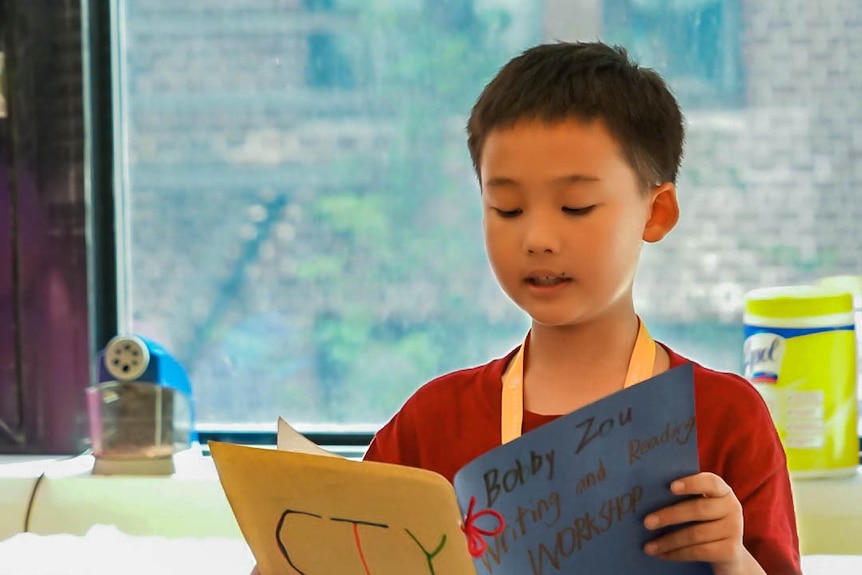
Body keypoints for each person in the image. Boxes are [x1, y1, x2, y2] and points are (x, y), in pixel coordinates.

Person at [362, 41, 801, 575]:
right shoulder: (430, 422)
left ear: (656, 212)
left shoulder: (726, 417)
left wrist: (733, 560)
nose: (538, 237)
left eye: (575, 206)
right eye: (507, 208)